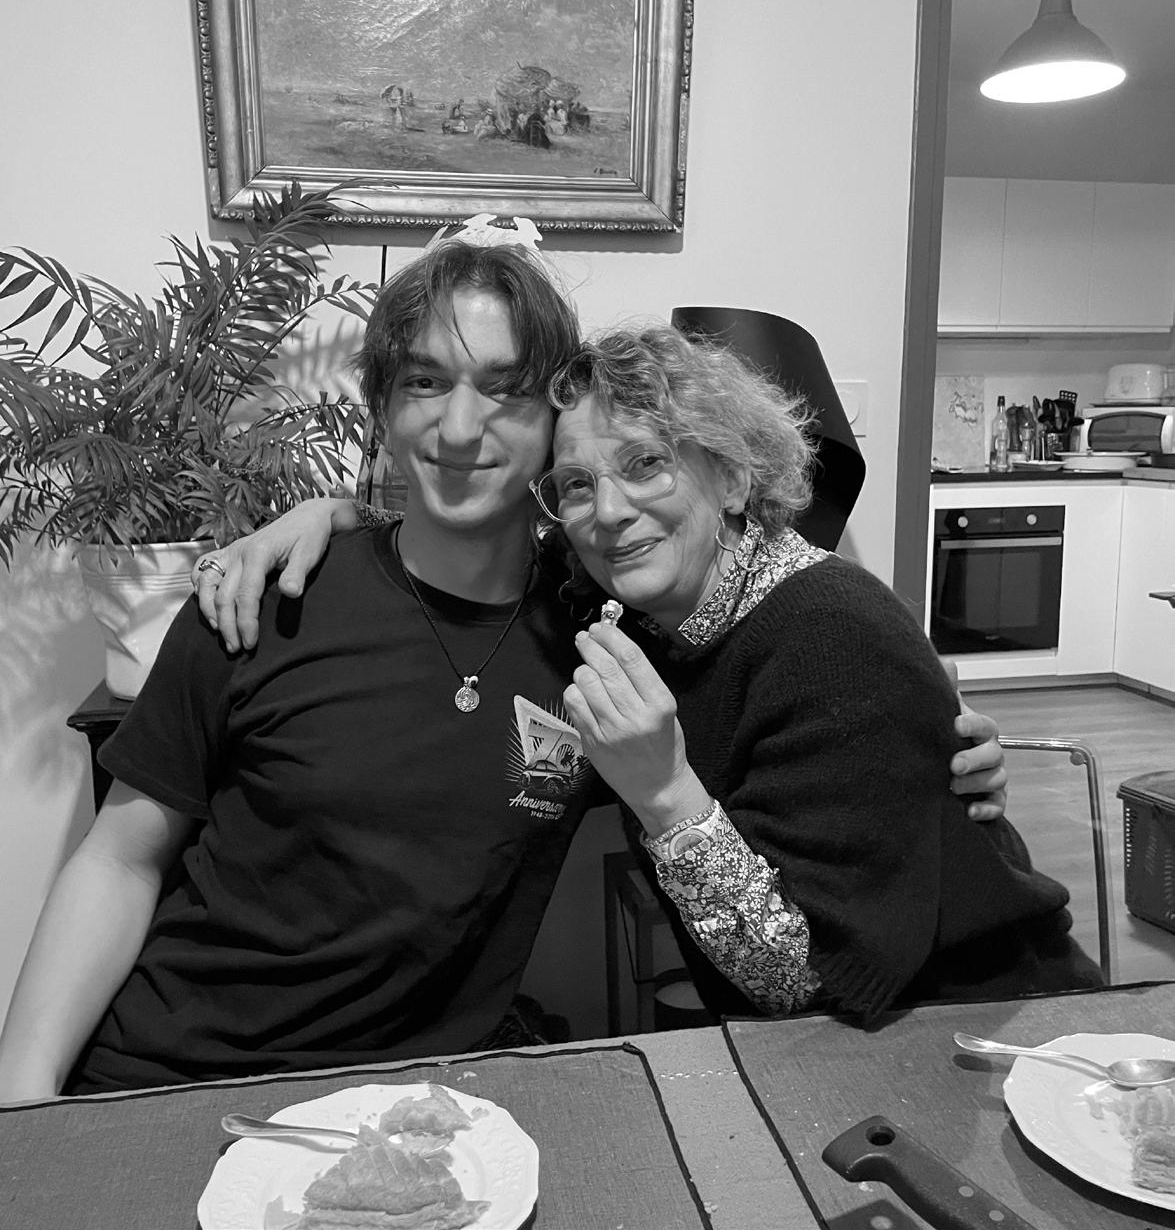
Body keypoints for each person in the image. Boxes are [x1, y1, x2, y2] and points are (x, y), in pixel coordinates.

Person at [0, 234, 593, 1098]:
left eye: (505, 389)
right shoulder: (262, 597)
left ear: (556, 417)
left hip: (408, 1104)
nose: (461, 428)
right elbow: (122, 858)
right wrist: (22, 1091)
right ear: (382, 406)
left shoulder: (595, 641)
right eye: (425, 382)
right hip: (171, 1078)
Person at [540, 325, 1101, 1018]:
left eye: (646, 463)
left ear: (732, 478)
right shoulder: (643, 617)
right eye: (576, 485)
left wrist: (663, 793)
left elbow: (806, 979)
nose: (608, 511)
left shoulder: (833, 636)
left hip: (975, 1025)